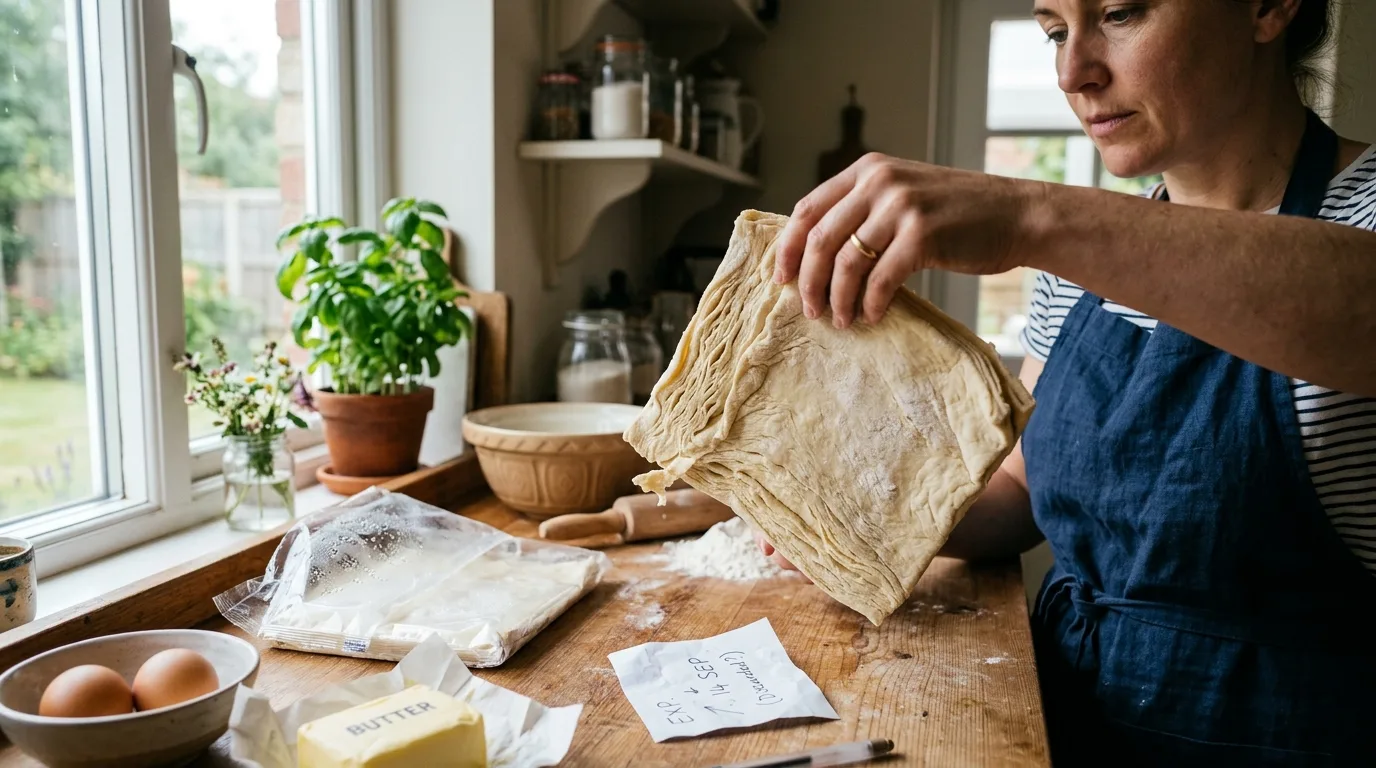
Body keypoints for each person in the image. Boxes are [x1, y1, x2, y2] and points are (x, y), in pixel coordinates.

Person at [756, 0, 1376, 762]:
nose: (1072, 72)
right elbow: (1019, 487)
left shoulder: (1359, 215)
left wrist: (1032, 216)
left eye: (1120, 13)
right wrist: (859, 513)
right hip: (1059, 728)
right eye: (1055, 31)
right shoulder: (1078, 265)